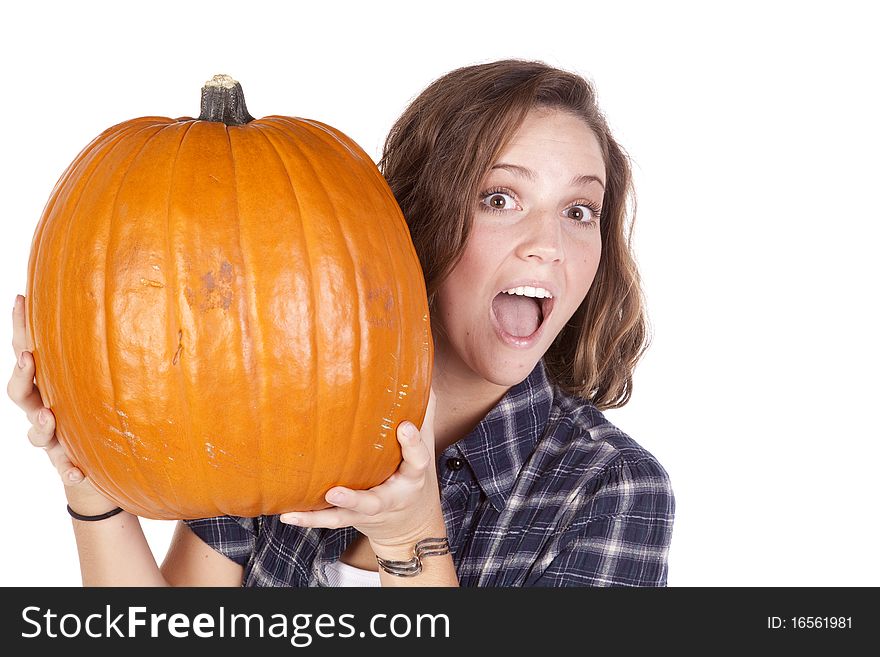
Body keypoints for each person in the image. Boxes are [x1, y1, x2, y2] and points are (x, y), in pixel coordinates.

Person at [8, 59, 675, 587]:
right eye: (500, 198)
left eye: (579, 211)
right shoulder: (265, 408)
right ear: (413, 219)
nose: (549, 246)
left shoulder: (610, 490)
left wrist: (410, 537)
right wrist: (88, 478)